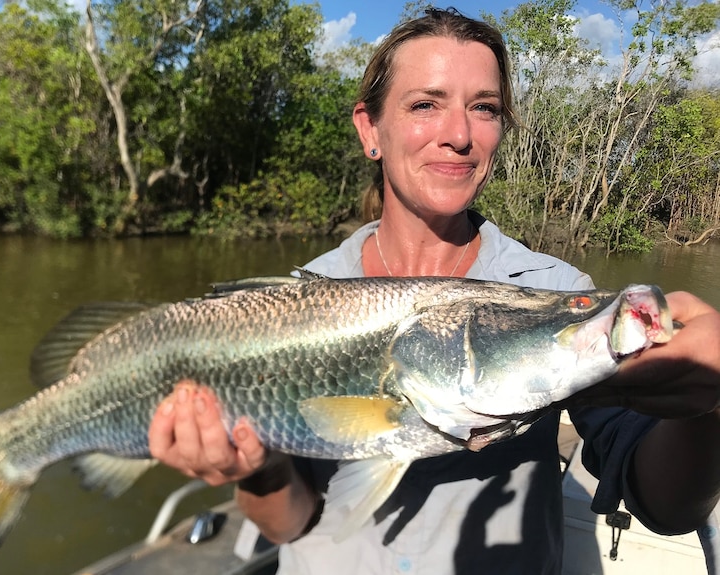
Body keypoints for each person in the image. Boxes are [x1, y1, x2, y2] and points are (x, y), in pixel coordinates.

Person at [148, 8, 720, 574]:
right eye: (425, 104)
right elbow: (286, 523)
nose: (459, 135)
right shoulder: (291, 308)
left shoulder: (556, 290)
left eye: (485, 109)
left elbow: (668, 508)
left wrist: (706, 405)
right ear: (370, 129)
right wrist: (251, 466)